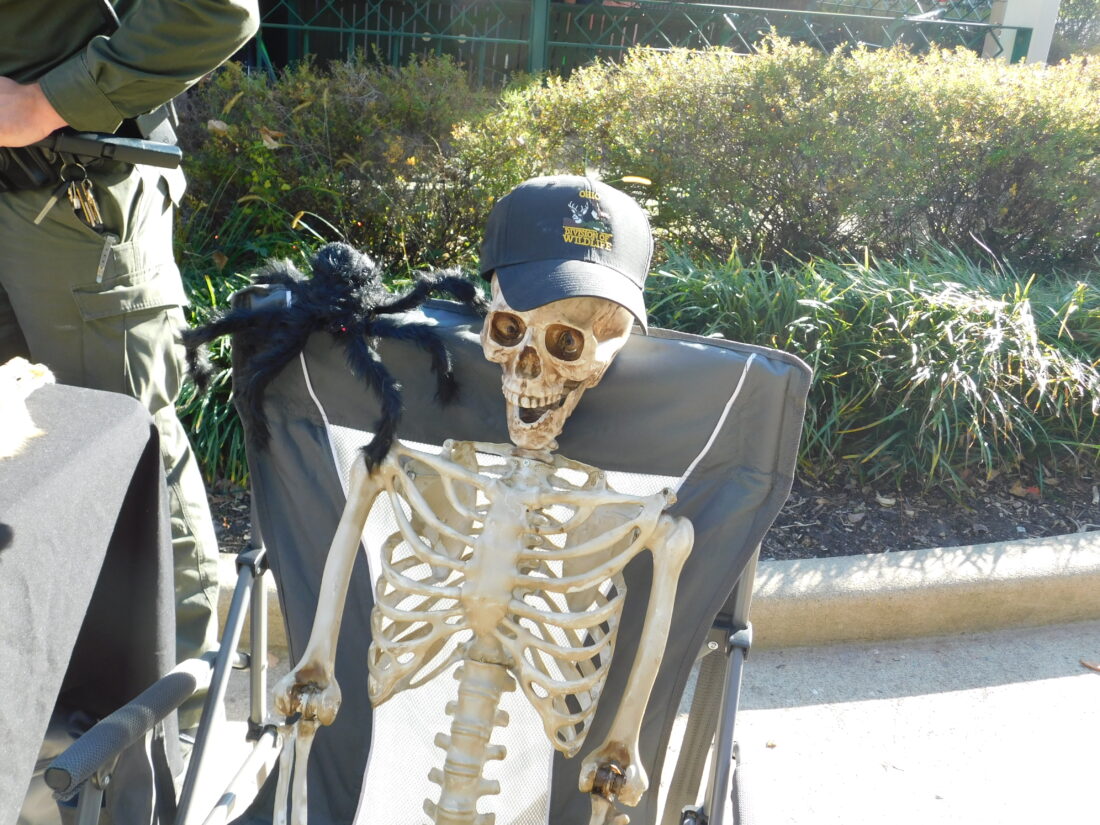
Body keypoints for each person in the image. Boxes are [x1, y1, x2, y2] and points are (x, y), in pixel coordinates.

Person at [0, 0, 260, 729]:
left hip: (72, 193)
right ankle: (44, 706)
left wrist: (50, 101)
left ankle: (175, 720)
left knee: (124, 449)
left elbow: (215, 10)